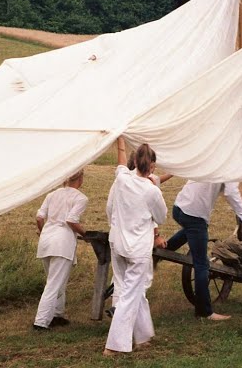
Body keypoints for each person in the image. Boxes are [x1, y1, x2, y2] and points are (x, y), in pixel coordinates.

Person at [103, 138, 168, 357]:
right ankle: (114, 345)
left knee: (134, 290)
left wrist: (121, 142)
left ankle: (143, 336)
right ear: (152, 166)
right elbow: (161, 217)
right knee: (129, 295)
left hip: (118, 244)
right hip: (138, 248)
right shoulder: (152, 191)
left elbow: (121, 163)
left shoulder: (122, 179)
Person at [163, 177, 242, 320]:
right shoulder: (230, 167)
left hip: (179, 207)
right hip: (194, 214)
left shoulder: (216, 161)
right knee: (202, 264)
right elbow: (230, 192)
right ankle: (204, 311)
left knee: (191, 231)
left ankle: (163, 250)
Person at [32, 169, 89, 330]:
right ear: (80, 179)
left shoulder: (52, 194)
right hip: (62, 242)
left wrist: (42, 231)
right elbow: (71, 220)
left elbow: (39, 217)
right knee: (54, 284)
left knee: (56, 281)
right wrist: (85, 234)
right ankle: (41, 322)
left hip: (46, 241)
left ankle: (57, 314)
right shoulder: (81, 198)